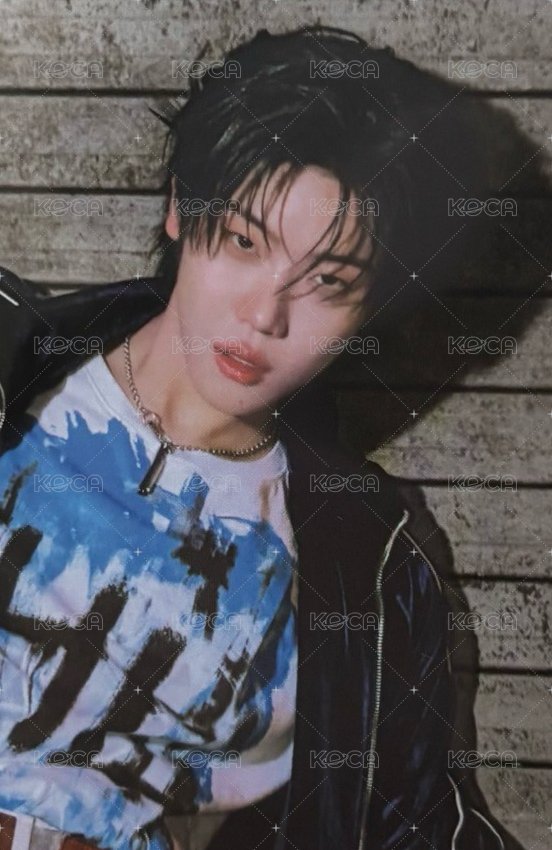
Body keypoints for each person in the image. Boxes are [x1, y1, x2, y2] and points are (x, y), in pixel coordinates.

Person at [0, 22, 514, 850]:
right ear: (180, 207)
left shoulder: (368, 566)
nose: (265, 316)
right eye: (244, 241)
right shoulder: (15, 370)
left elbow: (420, 827)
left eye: (328, 283)